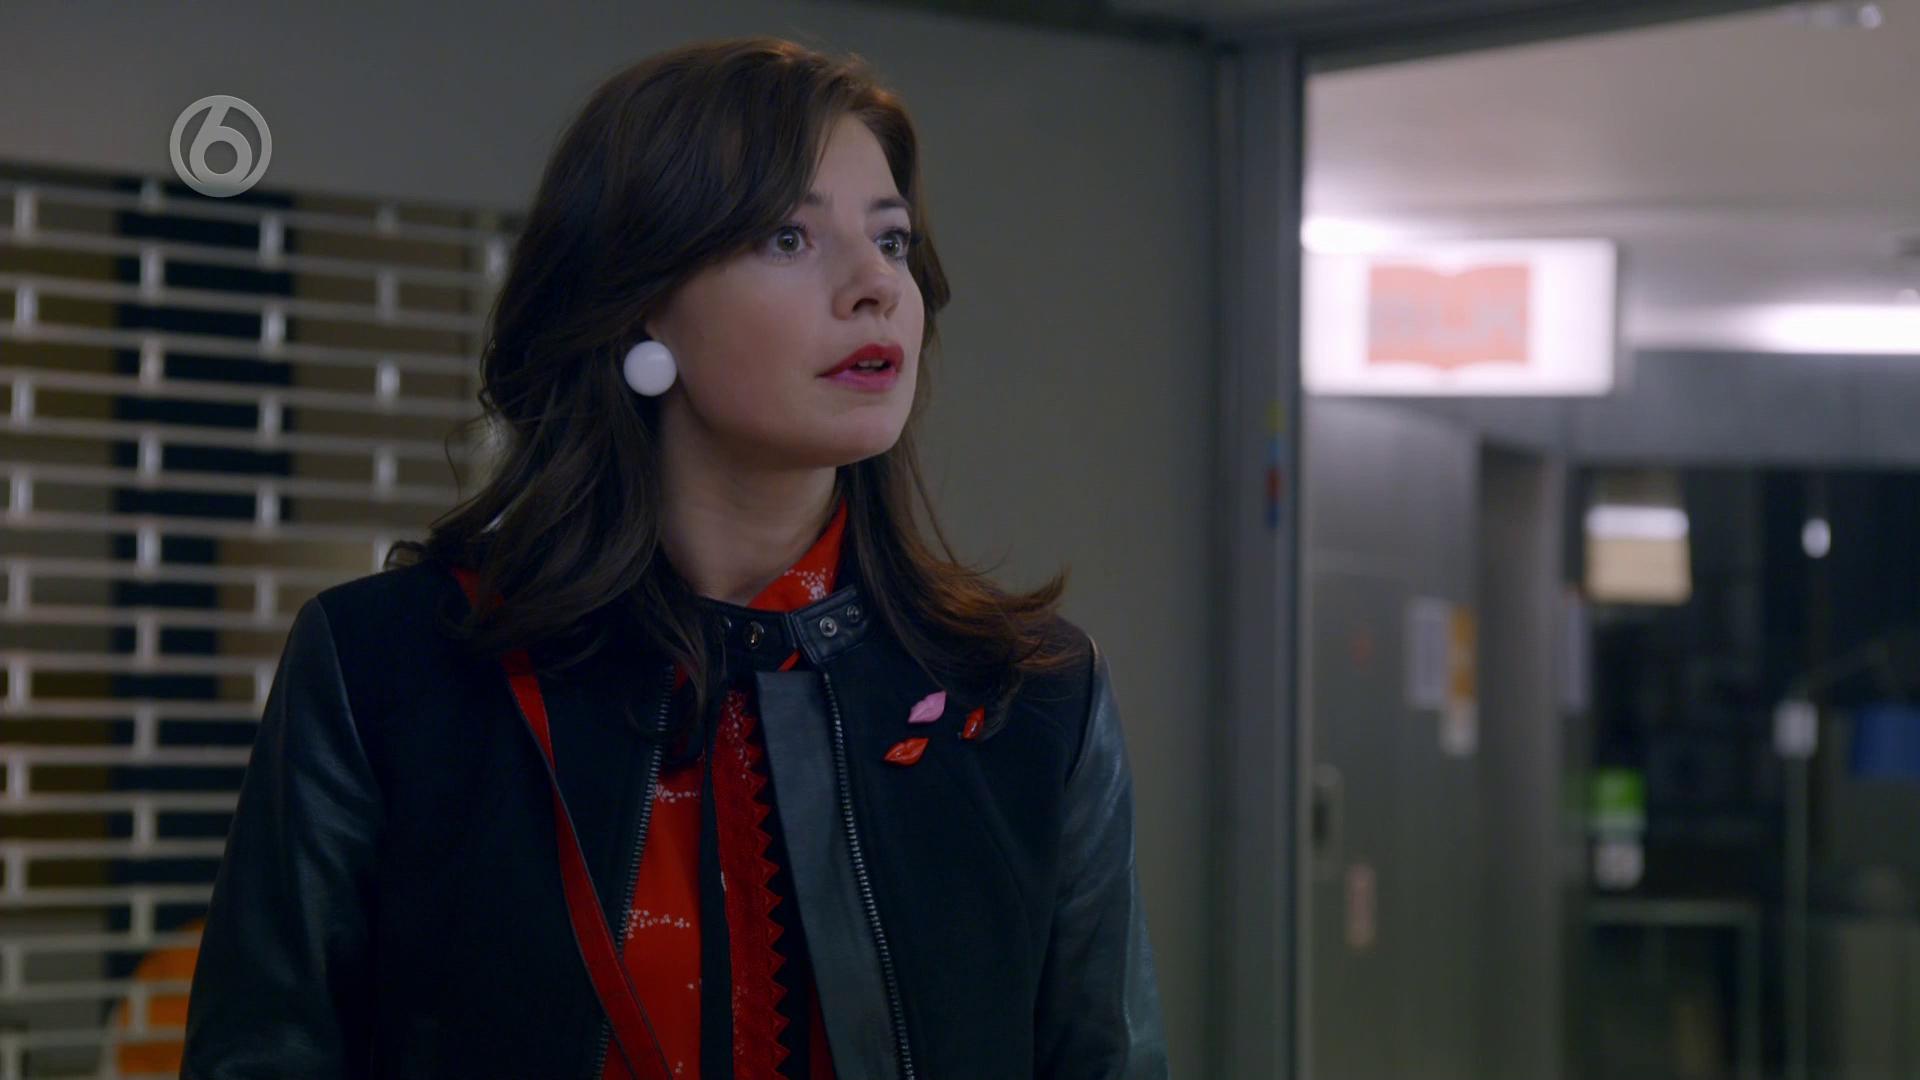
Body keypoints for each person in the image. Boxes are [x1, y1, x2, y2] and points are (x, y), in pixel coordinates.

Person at [180, 34, 1168, 1080]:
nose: (875, 285)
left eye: (892, 240)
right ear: (640, 298)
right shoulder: (389, 669)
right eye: (788, 238)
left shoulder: (1029, 702)